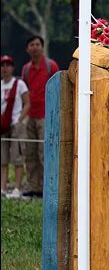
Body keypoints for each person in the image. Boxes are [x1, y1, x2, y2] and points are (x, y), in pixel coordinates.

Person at [20, 35, 59, 199]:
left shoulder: (51, 66)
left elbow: (58, 89)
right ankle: (34, 186)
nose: (35, 47)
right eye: (31, 45)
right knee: (30, 153)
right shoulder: (26, 69)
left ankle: (48, 187)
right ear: (27, 49)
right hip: (30, 115)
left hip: (46, 116)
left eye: (37, 44)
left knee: (45, 153)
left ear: (42, 47)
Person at [1, 55, 29, 198]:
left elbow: (27, 103)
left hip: (16, 124)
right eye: (2, 65)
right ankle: (3, 187)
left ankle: (17, 188)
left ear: (12, 67)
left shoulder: (19, 84)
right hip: (2, 125)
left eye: (7, 64)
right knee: (3, 158)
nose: (4, 68)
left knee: (17, 157)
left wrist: (20, 119)